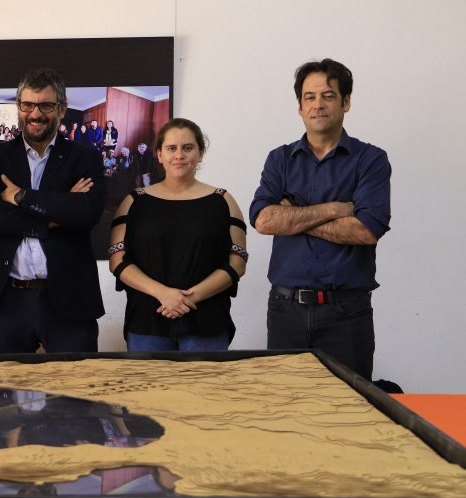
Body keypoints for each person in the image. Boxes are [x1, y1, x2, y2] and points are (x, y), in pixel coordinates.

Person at [249, 58, 391, 380]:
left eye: (328, 96)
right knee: (286, 402)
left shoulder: (371, 159)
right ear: (299, 107)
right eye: (309, 97)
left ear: (346, 102)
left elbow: (366, 230)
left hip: (347, 312)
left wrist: (293, 216)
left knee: (348, 403)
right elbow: (264, 220)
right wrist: (335, 209)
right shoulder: (279, 159)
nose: (318, 105)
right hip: (286, 310)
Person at [0, 68, 106, 353]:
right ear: (19, 106)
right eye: (27, 105)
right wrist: (56, 212)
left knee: (76, 382)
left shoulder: (86, 158)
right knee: (2, 382)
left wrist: (20, 196)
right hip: (6, 300)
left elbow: (87, 213)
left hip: (70, 299)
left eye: (46, 105)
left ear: (62, 109)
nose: (35, 114)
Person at [109, 118, 247, 351]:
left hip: (207, 323)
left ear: (201, 153)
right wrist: (162, 293)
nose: (179, 155)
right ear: (159, 154)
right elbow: (117, 261)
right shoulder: (133, 202)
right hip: (146, 324)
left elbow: (238, 262)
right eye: (171, 148)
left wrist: (189, 298)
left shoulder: (224, 201)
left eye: (188, 148)